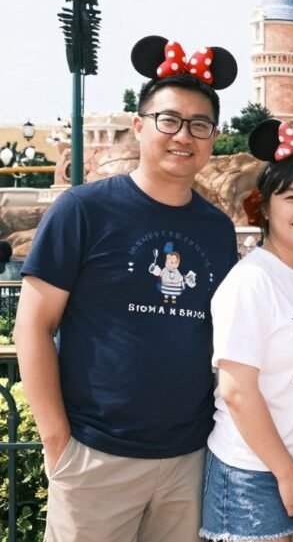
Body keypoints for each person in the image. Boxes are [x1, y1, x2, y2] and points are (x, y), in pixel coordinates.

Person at [14, 35, 239, 541]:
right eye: (169, 120)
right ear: (139, 126)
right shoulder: (83, 209)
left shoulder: (217, 229)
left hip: (187, 458)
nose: (183, 135)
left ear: (212, 137)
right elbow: (33, 325)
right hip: (94, 456)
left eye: (199, 125)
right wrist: (57, 442)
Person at [200, 120, 293, 541]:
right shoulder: (250, 280)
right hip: (252, 470)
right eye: (291, 197)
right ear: (264, 207)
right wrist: (285, 472)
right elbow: (237, 391)